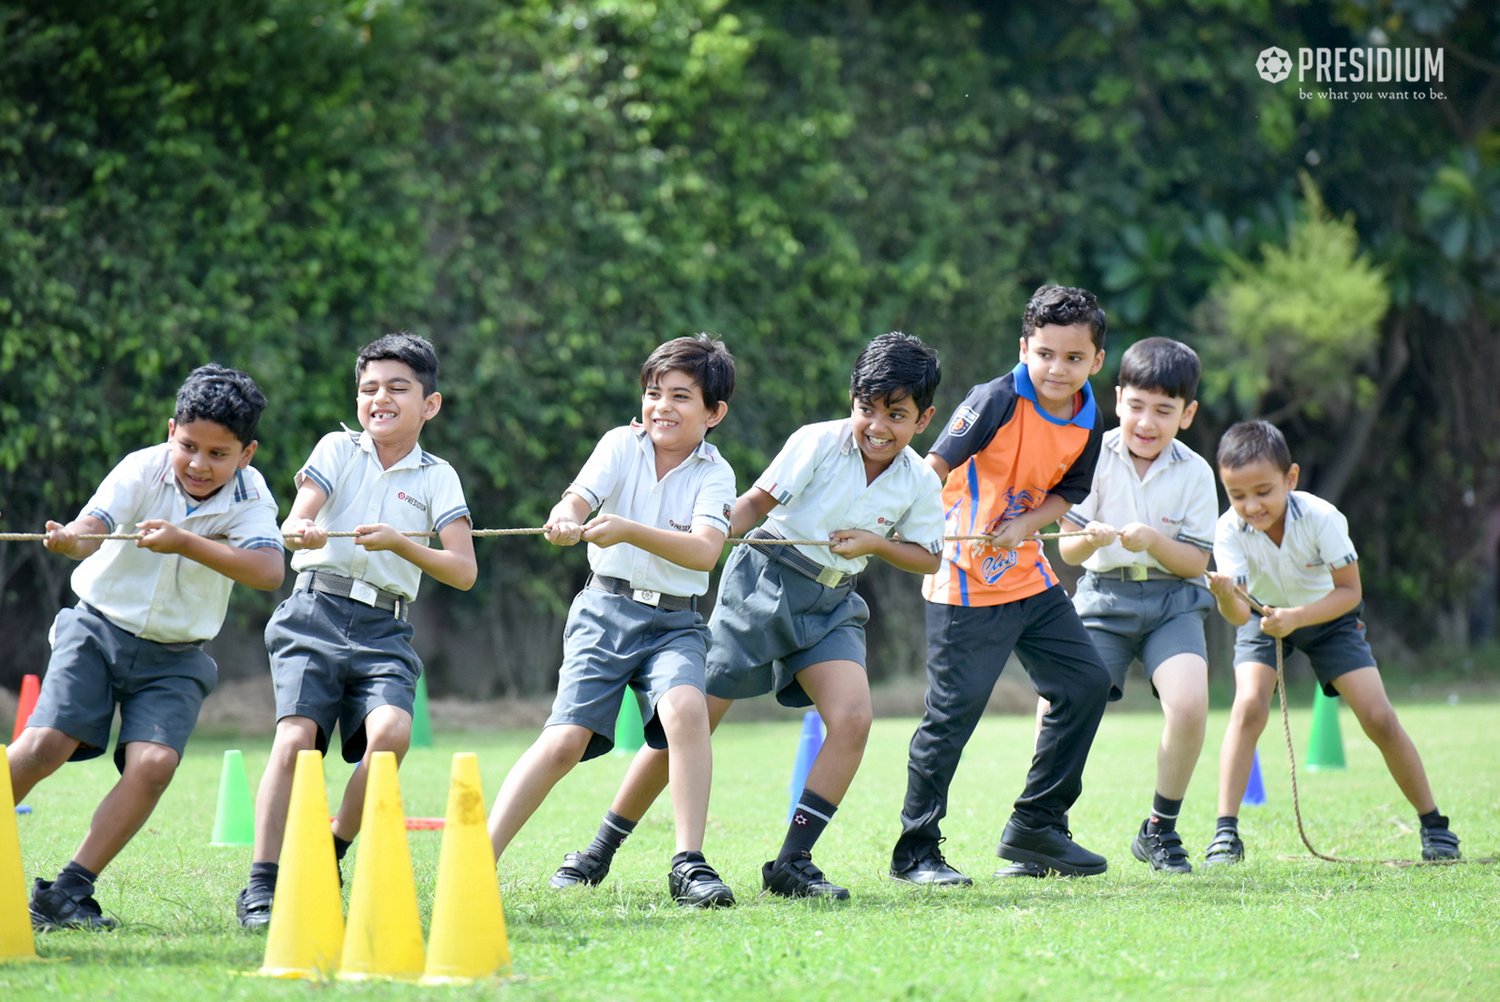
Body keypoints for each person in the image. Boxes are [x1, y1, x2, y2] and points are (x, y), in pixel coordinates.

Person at [546, 332, 947, 901]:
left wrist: (874, 546)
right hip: (764, 580)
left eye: (896, 415)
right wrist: (700, 531)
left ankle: (792, 863)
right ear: (852, 400)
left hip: (833, 601)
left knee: (854, 718)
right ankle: (598, 849)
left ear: (923, 418)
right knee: (688, 724)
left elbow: (929, 556)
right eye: (866, 408)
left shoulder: (919, 479)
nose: (877, 425)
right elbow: (757, 504)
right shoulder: (816, 442)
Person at [10, 364, 285, 930]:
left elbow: (267, 570)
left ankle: (67, 892)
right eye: (189, 446)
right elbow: (93, 526)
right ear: (170, 432)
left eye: (219, 453)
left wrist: (186, 542)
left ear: (246, 454)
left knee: (155, 763)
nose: (199, 464)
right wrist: (70, 539)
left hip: (178, 654)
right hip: (97, 628)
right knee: (45, 744)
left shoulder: (252, 495)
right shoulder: (141, 468)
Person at [485, 334, 739, 908]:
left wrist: (624, 527)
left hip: (676, 623)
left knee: (686, 711)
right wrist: (566, 514)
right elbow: (578, 498)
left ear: (713, 413)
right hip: (604, 609)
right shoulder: (618, 445)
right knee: (564, 741)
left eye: (680, 396)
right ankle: (478, 859)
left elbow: (703, 552)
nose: (662, 408)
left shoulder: (716, 475)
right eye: (654, 394)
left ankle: (688, 863)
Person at [236, 332, 476, 928]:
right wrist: (301, 527)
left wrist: (401, 544)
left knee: (392, 732)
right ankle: (262, 885)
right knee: (295, 740)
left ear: (431, 404)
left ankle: (330, 849)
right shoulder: (338, 449)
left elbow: (464, 570)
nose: (380, 399)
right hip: (313, 612)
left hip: (385, 627)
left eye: (398, 387)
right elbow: (297, 517)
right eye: (370, 388)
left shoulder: (439, 478)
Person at [890, 284, 1113, 885]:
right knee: (953, 716)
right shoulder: (993, 398)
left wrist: (1028, 524)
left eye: (1073, 358)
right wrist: (900, 530)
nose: (1056, 369)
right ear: (1024, 348)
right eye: (1044, 354)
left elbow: (1071, 492)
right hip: (962, 580)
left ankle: (1037, 827)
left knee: (1086, 684)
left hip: (1027, 576)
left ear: (1096, 361)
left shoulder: (1090, 416)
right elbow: (931, 467)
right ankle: (915, 851)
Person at [1204, 419, 1460, 864]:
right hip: (1262, 619)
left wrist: (1298, 618)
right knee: (1248, 707)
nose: (1251, 505)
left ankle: (1435, 827)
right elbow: (1238, 614)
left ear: (1291, 478)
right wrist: (1227, 597)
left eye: (1263, 491)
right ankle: (1226, 834)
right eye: (1237, 495)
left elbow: (1350, 593)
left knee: (1378, 717)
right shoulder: (1228, 531)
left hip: (1329, 618)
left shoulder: (1322, 518)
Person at [1019, 337, 1216, 876]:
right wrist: (1093, 538)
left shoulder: (1196, 472)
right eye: (1135, 406)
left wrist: (1152, 540)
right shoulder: (1089, 451)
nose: (1146, 422)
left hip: (1173, 603)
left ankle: (1160, 829)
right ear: (1118, 397)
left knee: (1190, 705)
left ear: (1187, 414)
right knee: (1056, 704)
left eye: (1164, 410)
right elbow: (1070, 547)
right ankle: (1042, 827)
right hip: (1102, 600)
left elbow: (1196, 564)